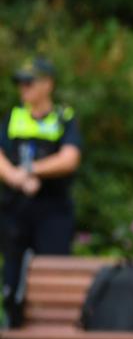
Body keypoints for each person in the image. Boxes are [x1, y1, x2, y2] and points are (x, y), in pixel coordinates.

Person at [1, 56, 82, 316]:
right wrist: (15, 177)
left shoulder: (63, 118)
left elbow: (69, 159)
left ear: (48, 84)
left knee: (56, 276)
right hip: (15, 210)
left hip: (52, 209)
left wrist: (32, 171)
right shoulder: (13, 117)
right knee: (11, 279)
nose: (23, 88)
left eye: (29, 82)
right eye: (20, 83)